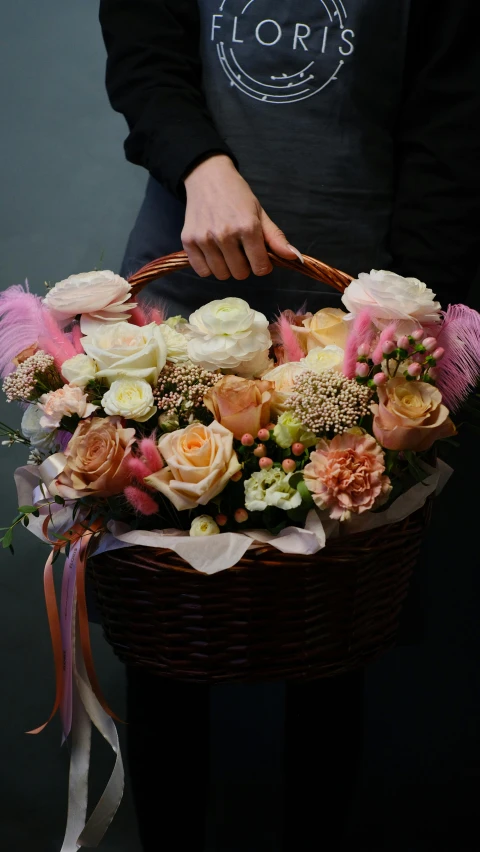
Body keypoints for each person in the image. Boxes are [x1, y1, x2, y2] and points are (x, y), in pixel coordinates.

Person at [99, 2, 480, 849]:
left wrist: (404, 321)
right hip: (178, 303)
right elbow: (142, 47)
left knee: (333, 630)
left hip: (354, 312)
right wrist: (202, 164)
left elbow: (451, 130)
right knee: (167, 633)